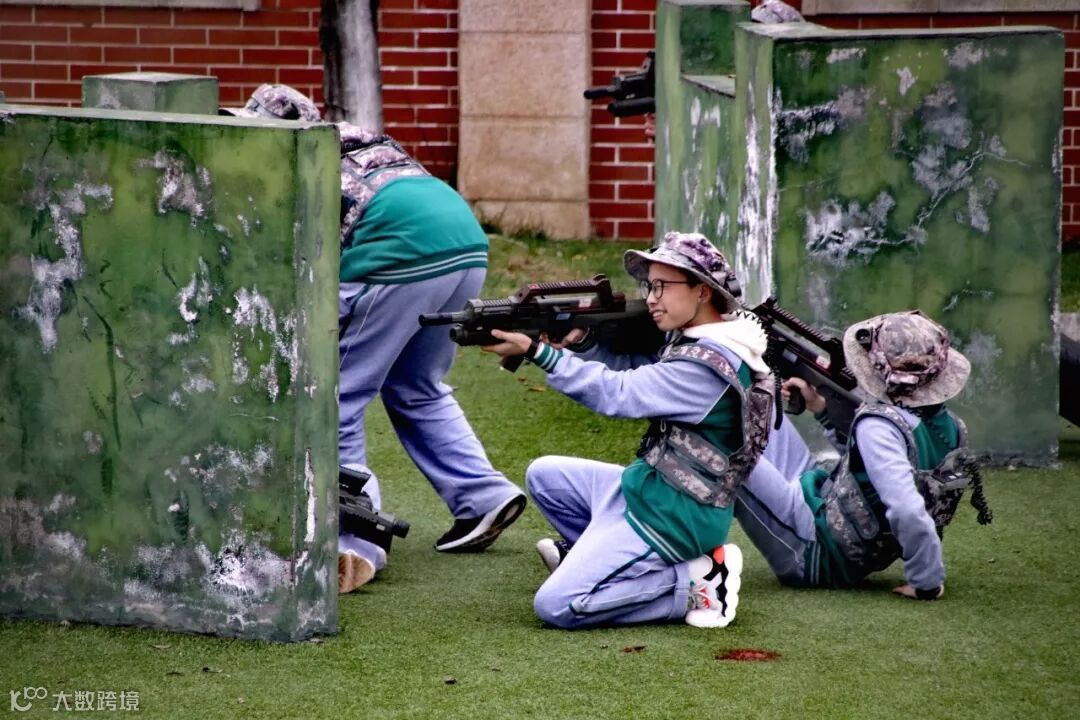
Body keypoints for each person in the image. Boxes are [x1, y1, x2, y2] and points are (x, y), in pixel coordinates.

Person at [223, 85, 527, 593]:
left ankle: (356, 541)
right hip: (465, 240)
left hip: (399, 249)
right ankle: (483, 497)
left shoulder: (292, 158)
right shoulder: (358, 140)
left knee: (336, 392)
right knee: (417, 385)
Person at [482, 231, 775, 629]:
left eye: (663, 286)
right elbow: (638, 374)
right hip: (648, 490)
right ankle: (604, 568)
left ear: (703, 291)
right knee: (544, 475)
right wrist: (583, 343)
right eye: (649, 286)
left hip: (675, 518)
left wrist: (539, 353)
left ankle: (696, 581)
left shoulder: (704, 368)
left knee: (556, 606)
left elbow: (619, 393)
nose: (651, 297)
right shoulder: (704, 340)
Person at [736, 310, 990, 599]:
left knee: (724, 447)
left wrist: (926, 580)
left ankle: (697, 567)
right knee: (755, 410)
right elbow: (865, 469)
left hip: (814, 552)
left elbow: (907, 508)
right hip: (825, 505)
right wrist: (821, 409)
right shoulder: (952, 427)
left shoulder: (879, 427)